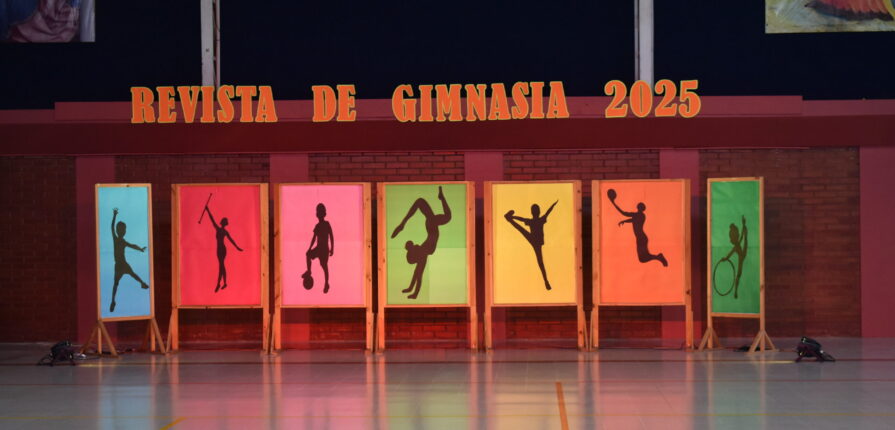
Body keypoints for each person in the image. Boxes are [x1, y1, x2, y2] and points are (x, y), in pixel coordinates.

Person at [391, 186, 451, 299]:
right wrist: (413, 291)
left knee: (420, 202)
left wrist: (412, 290)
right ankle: (441, 198)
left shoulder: (422, 250)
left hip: (431, 226)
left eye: (412, 244)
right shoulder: (423, 253)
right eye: (413, 245)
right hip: (431, 226)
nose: (415, 244)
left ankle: (403, 223)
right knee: (446, 216)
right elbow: (417, 275)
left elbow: (417, 274)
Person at [505, 201, 558, 290]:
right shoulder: (540, 220)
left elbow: (522, 219)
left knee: (520, 229)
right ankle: (546, 281)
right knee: (540, 262)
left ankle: (509, 218)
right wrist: (553, 205)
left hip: (533, 240)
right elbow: (548, 212)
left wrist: (513, 217)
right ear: (539, 212)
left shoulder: (532, 221)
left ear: (532, 212)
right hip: (535, 241)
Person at [607, 189, 668, 267]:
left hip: (641, 238)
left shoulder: (637, 215)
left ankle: (659, 257)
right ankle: (659, 257)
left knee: (643, 259)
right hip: (641, 237)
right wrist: (624, 221)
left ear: (638, 207)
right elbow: (633, 220)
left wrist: (613, 203)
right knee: (643, 258)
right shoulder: (641, 215)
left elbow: (624, 213)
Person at [109, 208, 149, 313]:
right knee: (117, 283)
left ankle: (142, 283)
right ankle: (113, 300)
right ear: (118, 231)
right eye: (121, 229)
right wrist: (114, 215)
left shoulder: (123, 241)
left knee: (131, 275)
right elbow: (112, 227)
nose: (123, 231)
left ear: (124, 231)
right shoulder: (116, 239)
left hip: (122, 264)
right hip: (119, 265)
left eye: (124, 229)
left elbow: (133, 245)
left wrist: (140, 249)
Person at [203, 204, 243, 292]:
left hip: (221, 249)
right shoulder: (222, 231)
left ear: (222, 223)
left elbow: (231, 240)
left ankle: (218, 284)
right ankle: (224, 283)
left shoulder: (221, 230)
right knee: (222, 266)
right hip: (220, 249)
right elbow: (212, 219)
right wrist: (208, 210)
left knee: (221, 266)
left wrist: (237, 247)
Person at [302, 203, 334, 293]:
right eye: (318, 213)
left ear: (323, 214)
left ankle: (326, 283)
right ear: (317, 214)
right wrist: (309, 248)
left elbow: (331, 236)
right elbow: (314, 238)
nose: (319, 215)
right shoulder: (317, 226)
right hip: (318, 248)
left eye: (321, 212)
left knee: (324, 266)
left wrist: (332, 249)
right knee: (308, 254)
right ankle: (309, 271)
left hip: (324, 249)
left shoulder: (327, 224)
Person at [713, 216, 748, 298]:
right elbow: (741, 237)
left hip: (742, 254)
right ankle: (735, 292)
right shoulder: (737, 245)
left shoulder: (737, 246)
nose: (730, 239)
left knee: (738, 274)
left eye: (731, 236)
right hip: (742, 254)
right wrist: (725, 258)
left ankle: (735, 292)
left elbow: (730, 254)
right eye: (731, 236)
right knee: (738, 274)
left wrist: (725, 258)